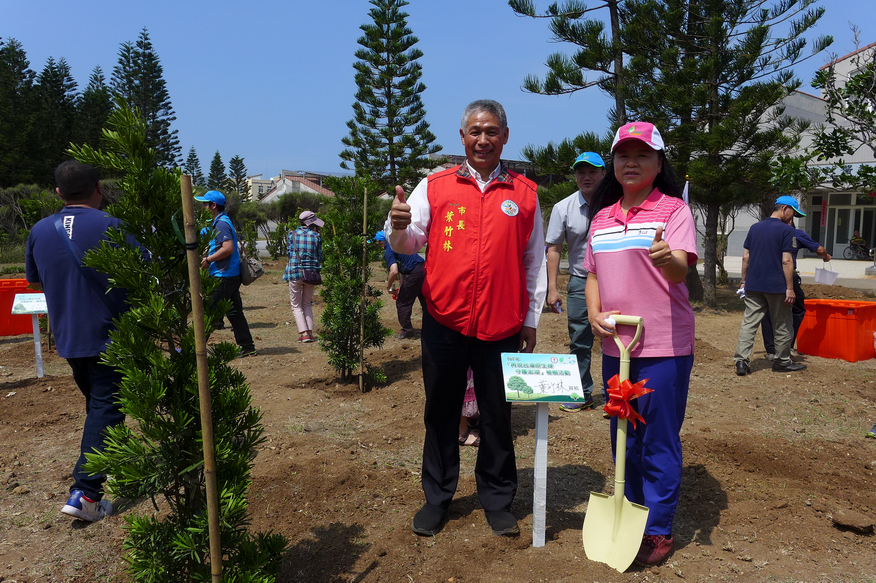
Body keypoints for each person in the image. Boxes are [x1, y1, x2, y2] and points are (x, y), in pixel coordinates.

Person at [388, 99, 547, 537]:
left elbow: (534, 262)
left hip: (501, 324)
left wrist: (531, 319)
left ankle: (497, 498)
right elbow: (408, 242)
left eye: (491, 131)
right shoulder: (435, 185)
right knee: (441, 411)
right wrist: (397, 226)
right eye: (475, 131)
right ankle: (437, 497)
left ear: (505, 136)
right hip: (445, 320)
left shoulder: (525, 194)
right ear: (462, 137)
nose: (483, 139)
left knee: (497, 414)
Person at [583, 121, 697, 567]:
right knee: (623, 437)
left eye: (642, 155)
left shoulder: (673, 211)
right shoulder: (601, 217)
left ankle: (657, 528)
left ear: (658, 162)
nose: (631, 163)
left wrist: (668, 258)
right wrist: (594, 313)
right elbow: (593, 275)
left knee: (659, 440)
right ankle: (628, 511)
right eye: (623, 155)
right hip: (617, 348)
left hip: (664, 347)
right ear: (613, 163)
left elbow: (680, 271)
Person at [25, 160, 132, 522]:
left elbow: (34, 281)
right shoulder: (113, 226)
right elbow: (145, 274)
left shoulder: (40, 230)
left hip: (69, 336)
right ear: (99, 188)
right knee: (106, 407)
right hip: (109, 334)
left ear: (58, 192)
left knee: (99, 407)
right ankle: (86, 493)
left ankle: (111, 465)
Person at [545, 151, 605, 412]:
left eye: (592, 171)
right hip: (581, 281)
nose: (586, 177)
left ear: (604, 174)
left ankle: (617, 396)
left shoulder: (618, 203)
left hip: (615, 281)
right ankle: (581, 393)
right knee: (580, 338)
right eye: (581, 172)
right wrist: (552, 288)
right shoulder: (563, 208)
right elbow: (554, 249)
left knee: (617, 338)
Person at [734, 196, 806, 376]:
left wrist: (744, 281)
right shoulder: (787, 231)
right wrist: (790, 288)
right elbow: (786, 261)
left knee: (749, 323)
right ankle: (782, 361)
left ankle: (741, 361)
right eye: (793, 213)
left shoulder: (755, 228)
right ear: (784, 208)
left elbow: (745, 257)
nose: (793, 218)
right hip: (777, 287)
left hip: (753, 285)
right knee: (782, 323)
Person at [196, 190, 256, 357]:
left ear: (213, 206)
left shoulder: (221, 223)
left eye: (205, 204)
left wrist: (208, 260)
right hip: (229, 275)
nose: (203, 207)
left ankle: (194, 351)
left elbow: (228, 248)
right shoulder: (221, 221)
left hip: (223, 276)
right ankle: (247, 346)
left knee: (209, 314)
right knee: (235, 313)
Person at [761, 218, 830, 358]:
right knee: (797, 308)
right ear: (790, 220)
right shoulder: (794, 233)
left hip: (765, 275)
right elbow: (819, 250)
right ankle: (786, 346)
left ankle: (771, 349)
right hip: (785, 275)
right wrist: (826, 256)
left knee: (767, 311)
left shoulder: (764, 233)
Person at [374, 230, 426, 339]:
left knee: (402, 303)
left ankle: (407, 331)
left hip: (415, 272)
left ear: (380, 242)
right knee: (425, 301)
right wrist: (402, 289)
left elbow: (394, 271)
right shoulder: (399, 244)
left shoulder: (389, 250)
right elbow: (404, 270)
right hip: (423, 268)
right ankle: (431, 328)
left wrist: (388, 286)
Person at [284, 210, 325, 343]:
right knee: (307, 303)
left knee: (296, 305)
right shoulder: (317, 236)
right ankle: (310, 333)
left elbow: (289, 252)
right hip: (311, 274)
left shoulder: (292, 234)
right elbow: (320, 256)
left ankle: (304, 334)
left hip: (295, 272)